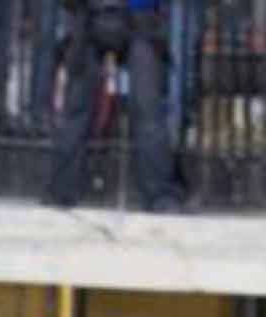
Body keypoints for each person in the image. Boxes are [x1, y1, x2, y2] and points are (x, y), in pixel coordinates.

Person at [48, 0, 182, 213]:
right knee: (144, 111)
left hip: (125, 17)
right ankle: (160, 195)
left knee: (145, 110)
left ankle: (160, 195)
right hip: (105, 16)